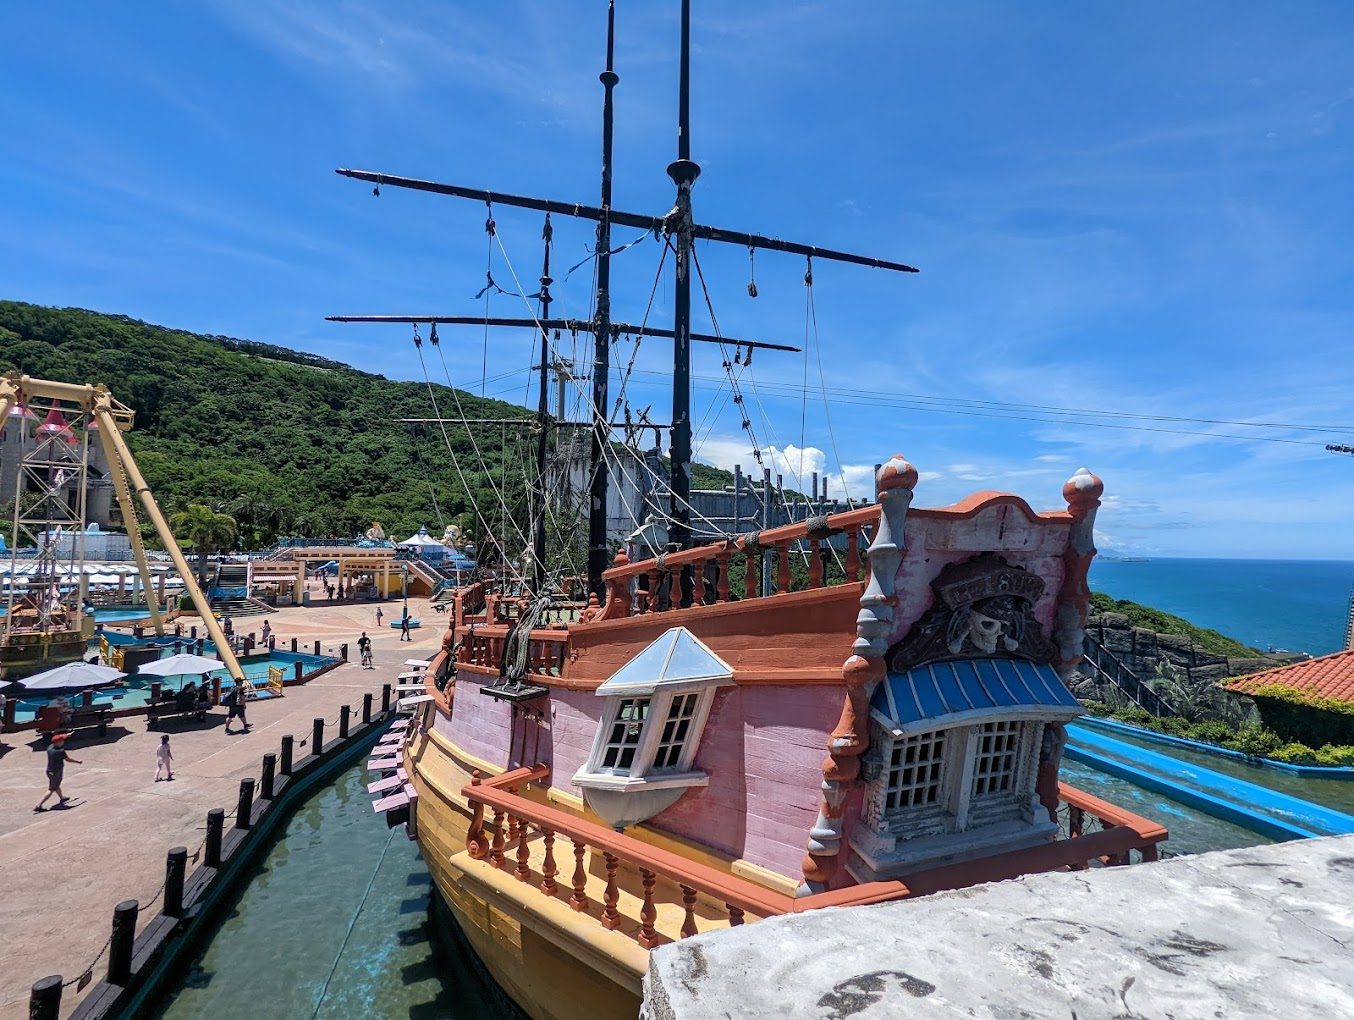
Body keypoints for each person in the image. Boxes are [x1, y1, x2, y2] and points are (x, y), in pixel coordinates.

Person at [35, 734, 81, 811]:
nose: (63, 741)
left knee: (56, 785)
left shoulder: (49, 748)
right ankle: (39, 805)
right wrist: (77, 761)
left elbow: (57, 738)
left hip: (49, 771)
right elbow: (68, 759)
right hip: (56, 772)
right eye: (62, 740)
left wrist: (67, 735)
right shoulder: (60, 751)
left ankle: (62, 797)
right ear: (58, 742)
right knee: (51, 789)